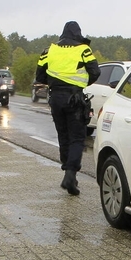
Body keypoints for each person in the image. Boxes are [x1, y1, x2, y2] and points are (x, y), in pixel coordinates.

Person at [35, 21, 100, 195]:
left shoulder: (49, 51)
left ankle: (68, 174)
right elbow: (95, 72)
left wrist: (55, 82)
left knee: (63, 137)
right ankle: (70, 174)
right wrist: (81, 83)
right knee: (77, 138)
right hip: (75, 98)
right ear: (78, 33)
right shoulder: (83, 50)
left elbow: (39, 75)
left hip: (56, 98)